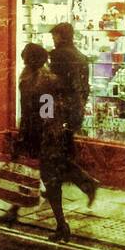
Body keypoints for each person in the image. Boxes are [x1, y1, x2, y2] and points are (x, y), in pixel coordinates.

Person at [3, 42, 72, 241]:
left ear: (34, 60)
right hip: (33, 133)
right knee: (25, 174)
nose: (23, 60)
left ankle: (62, 225)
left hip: (44, 136)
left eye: (26, 57)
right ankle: (14, 211)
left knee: (49, 181)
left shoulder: (46, 81)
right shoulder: (28, 77)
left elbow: (47, 112)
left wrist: (40, 135)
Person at [47, 22, 100, 207]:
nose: (53, 40)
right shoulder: (82, 57)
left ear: (62, 36)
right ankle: (55, 185)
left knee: (54, 153)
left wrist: (46, 112)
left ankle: (87, 184)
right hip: (76, 111)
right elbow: (84, 88)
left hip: (59, 112)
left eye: (55, 36)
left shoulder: (58, 55)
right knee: (62, 152)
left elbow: (53, 86)